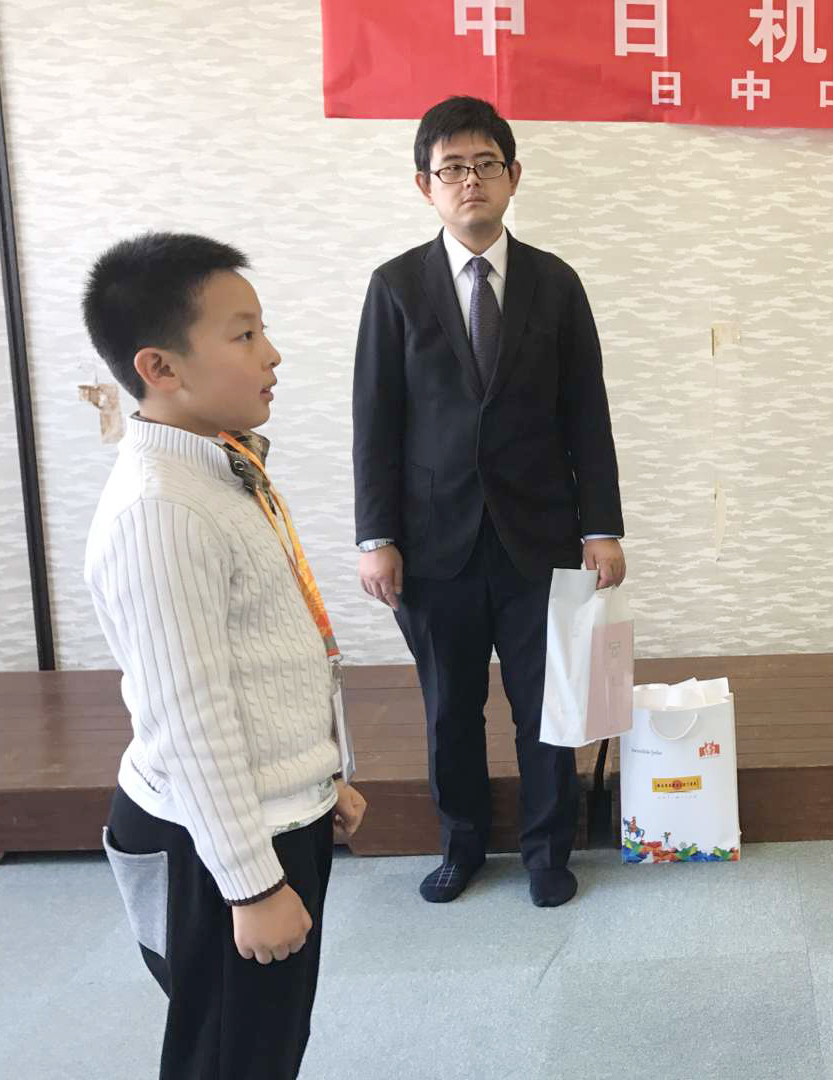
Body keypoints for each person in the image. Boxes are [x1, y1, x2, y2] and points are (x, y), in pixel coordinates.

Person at [82, 232, 367, 1080]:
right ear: (160, 368)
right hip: (217, 847)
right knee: (230, 1059)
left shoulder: (220, 464)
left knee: (266, 1047)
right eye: (244, 335)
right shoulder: (161, 510)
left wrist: (320, 777)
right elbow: (190, 718)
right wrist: (250, 883)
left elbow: (271, 653)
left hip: (268, 814)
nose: (271, 354)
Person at [351, 95, 626, 907]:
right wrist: (376, 537)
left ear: (513, 176)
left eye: (485, 164)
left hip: (539, 536)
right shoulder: (396, 286)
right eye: (452, 169)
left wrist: (601, 527)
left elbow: (587, 414)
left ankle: (547, 851)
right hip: (432, 545)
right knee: (450, 710)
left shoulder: (555, 283)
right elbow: (375, 420)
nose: (469, 181)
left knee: (546, 705)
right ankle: (462, 844)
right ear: (425, 185)